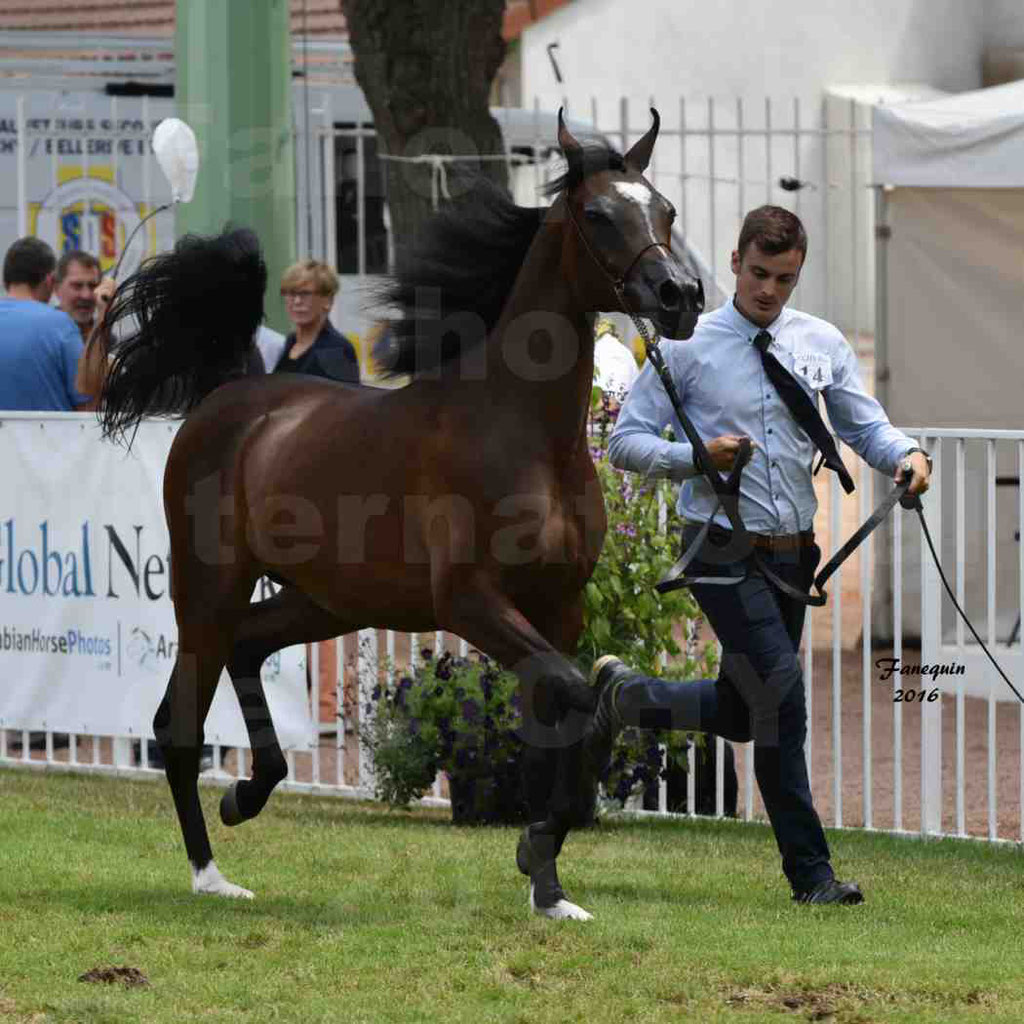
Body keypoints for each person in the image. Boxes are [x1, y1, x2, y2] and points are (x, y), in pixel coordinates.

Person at [587, 205, 932, 906]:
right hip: (717, 545)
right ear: (735, 260)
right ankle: (812, 876)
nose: (770, 289)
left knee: (747, 713)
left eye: (785, 277)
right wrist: (694, 458)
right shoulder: (688, 345)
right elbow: (626, 441)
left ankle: (626, 696)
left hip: (791, 554)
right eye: (758, 273)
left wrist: (906, 455)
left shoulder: (821, 342)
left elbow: (863, 425)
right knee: (782, 696)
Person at [0, 236, 90, 411]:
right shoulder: (61, 324)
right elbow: (85, 402)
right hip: (51, 437)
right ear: (50, 281)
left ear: (6, 281)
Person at [274, 260, 360, 383]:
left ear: (328, 301)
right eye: (291, 293)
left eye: (305, 293)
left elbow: (349, 400)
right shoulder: (290, 341)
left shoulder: (336, 349)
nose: (297, 301)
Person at [54, 250, 102, 340]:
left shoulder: (108, 342)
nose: (86, 295)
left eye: (93, 286)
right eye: (77, 286)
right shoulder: (42, 337)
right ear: (57, 288)